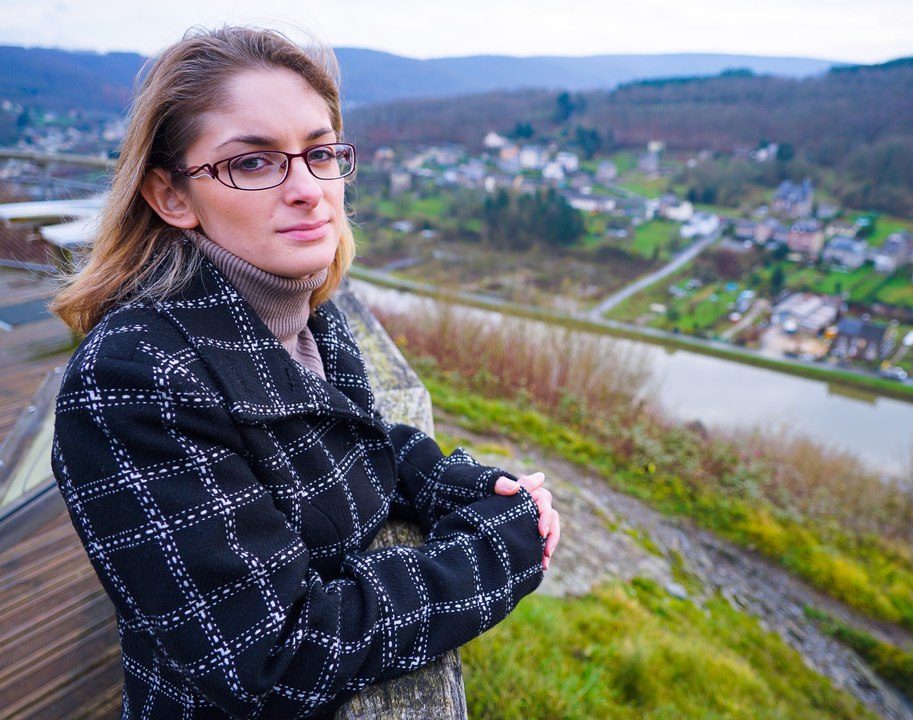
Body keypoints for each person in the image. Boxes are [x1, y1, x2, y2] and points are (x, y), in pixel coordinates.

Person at [49, 25, 559, 720]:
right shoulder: (133, 381)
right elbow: (275, 656)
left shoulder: (303, 314)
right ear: (171, 196)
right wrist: (497, 552)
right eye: (253, 164)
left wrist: (456, 482)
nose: (307, 189)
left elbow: (346, 442)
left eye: (319, 153)